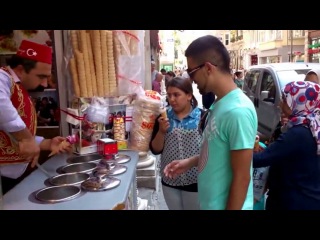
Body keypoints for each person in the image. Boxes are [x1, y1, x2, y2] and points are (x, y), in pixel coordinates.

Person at [164, 35, 257, 210]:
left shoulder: (238, 111)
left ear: (207, 68)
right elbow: (219, 153)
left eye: (191, 72)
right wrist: (190, 162)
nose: (191, 80)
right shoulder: (219, 104)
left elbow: (242, 177)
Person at [0, 40, 72, 194]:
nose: (45, 84)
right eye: (41, 77)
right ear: (20, 70)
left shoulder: (19, 88)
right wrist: (25, 138)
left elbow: (10, 134)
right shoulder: (2, 77)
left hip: (12, 178)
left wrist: (46, 143)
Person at [253, 80, 320, 210]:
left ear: (298, 102)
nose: (280, 104)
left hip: (293, 201)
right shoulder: (313, 127)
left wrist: (235, 152)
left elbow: (260, 159)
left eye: (285, 99)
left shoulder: (299, 133)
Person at [150, 76, 204, 210]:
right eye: (169, 95)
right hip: (170, 180)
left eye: (176, 95)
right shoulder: (163, 118)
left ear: (189, 95)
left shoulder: (203, 117)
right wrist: (161, 132)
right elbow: (155, 150)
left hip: (196, 180)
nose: (172, 99)